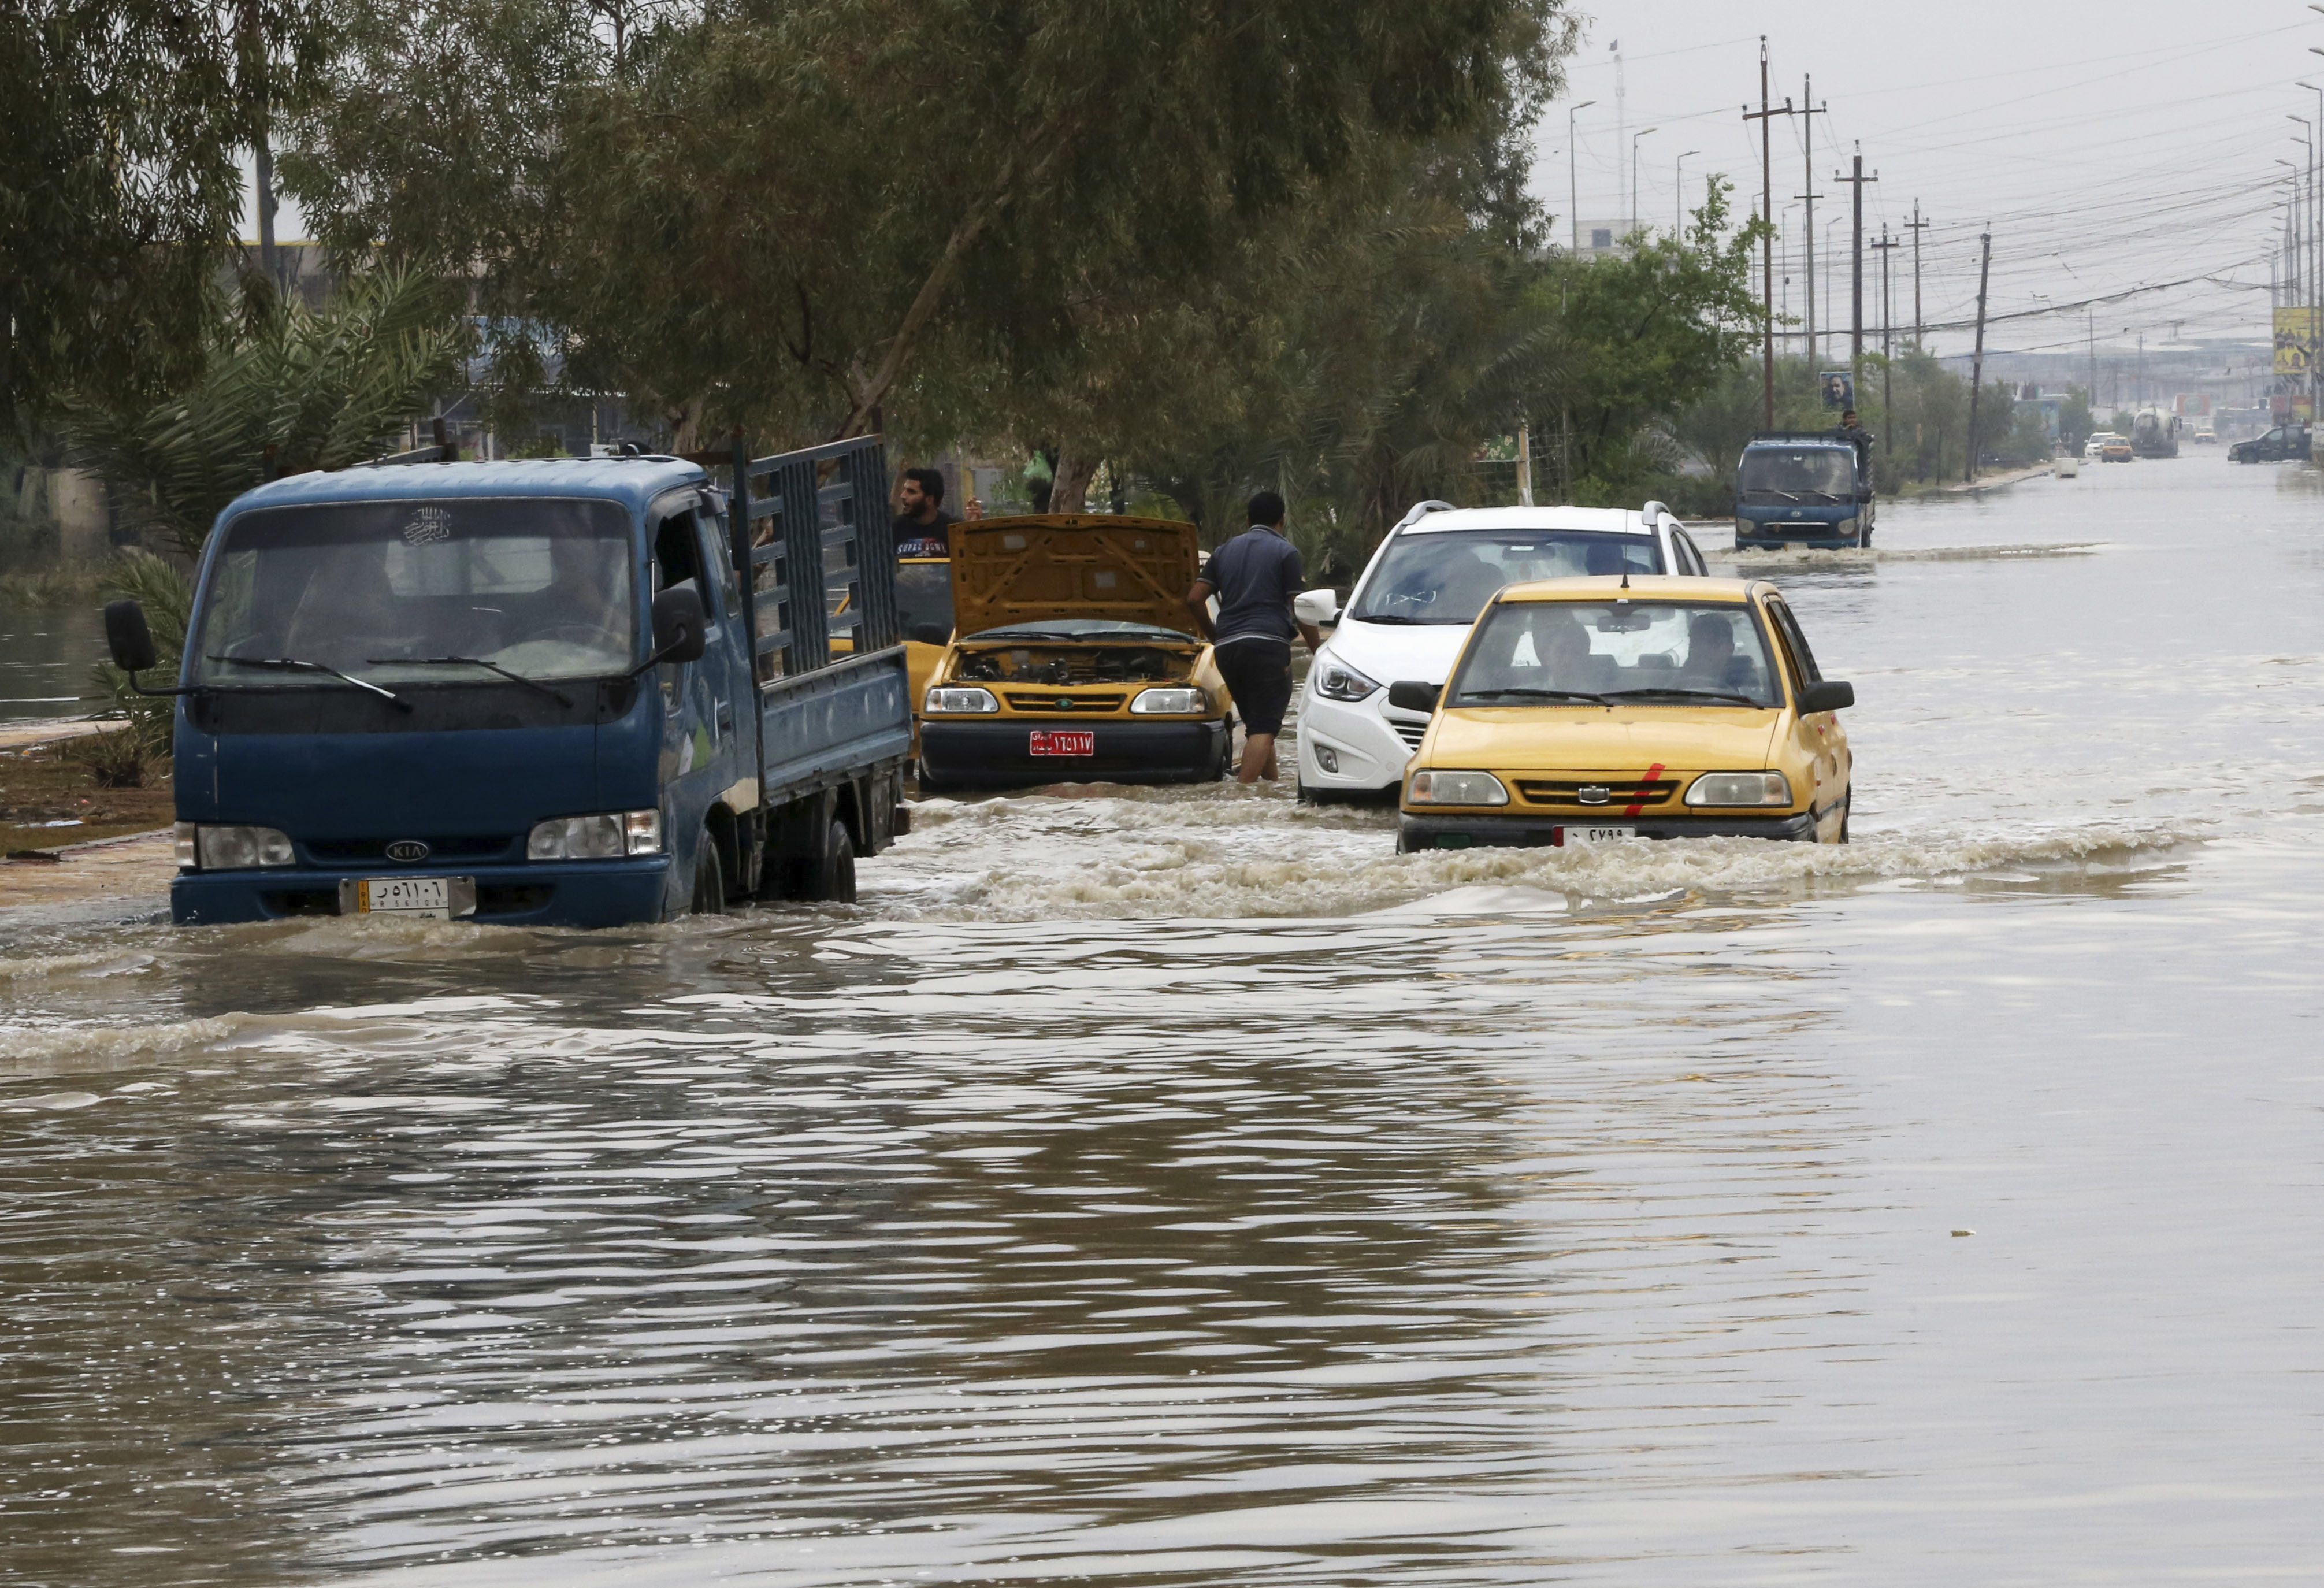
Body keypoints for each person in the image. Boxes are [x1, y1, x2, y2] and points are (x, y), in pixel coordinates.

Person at [1184, 489, 1324, 784]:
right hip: (1267, 646)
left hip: (1229, 650)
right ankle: (1242, 798)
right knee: (1265, 728)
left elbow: (1195, 599)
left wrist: (1216, 636)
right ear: (1282, 521)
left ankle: (1269, 791)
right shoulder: (1286, 552)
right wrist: (1318, 652)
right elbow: (1300, 606)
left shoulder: (1223, 551)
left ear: (1247, 519)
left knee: (1257, 726)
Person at [892, 467, 955, 559]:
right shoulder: (893, 529)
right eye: (904, 490)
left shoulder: (953, 529)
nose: (903, 496)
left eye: (911, 492)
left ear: (929, 500)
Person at [1836, 409, 1874, 489]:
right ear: (1844, 419)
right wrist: (1846, 430)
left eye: (1854, 418)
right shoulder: (1838, 429)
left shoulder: (1860, 430)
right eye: (1850, 418)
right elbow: (1836, 438)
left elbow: (1867, 439)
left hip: (1858, 460)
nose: (1852, 420)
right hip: (1840, 460)